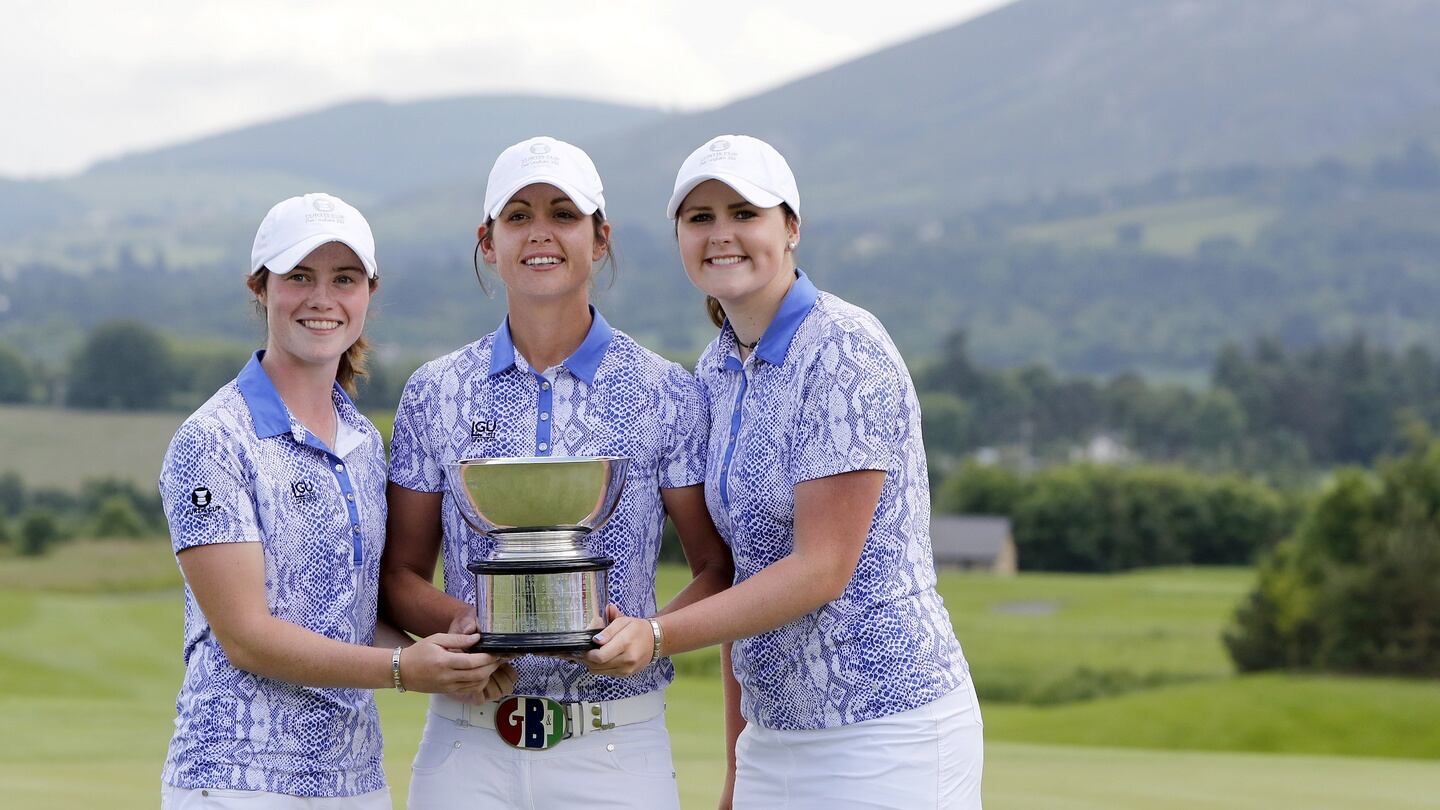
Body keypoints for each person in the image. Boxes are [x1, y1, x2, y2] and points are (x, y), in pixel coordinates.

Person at [584, 135, 984, 808]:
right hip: (775, 739)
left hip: (888, 731)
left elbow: (819, 568)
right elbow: (746, 572)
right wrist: (740, 765)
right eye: (700, 217)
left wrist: (656, 635)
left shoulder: (845, 350)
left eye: (745, 213)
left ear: (791, 228)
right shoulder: (717, 368)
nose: (721, 234)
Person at [381, 136, 733, 810]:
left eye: (563, 214)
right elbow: (398, 579)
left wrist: (649, 637)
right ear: (488, 243)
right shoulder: (436, 391)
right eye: (517, 216)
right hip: (467, 747)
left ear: (600, 239)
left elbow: (715, 570)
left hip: (614, 746)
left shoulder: (666, 390)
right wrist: (468, 624)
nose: (540, 233)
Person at [157, 193, 510, 810]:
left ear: (367, 293)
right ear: (260, 288)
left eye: (343, 279)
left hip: (353, 780)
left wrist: (452, 649)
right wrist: (405, 669)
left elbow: (344, 617)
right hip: (237, 781)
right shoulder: (212, 439)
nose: (322, 298)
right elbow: (245, 636)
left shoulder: (363, 440)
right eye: (299, 276)